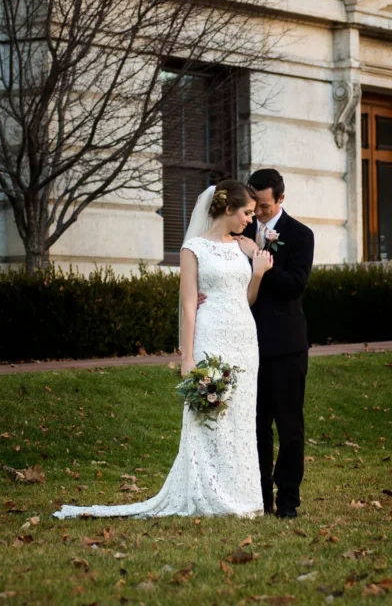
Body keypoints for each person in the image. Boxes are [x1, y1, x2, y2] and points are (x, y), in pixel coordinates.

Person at [52, 179, 273, 520]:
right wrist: (186, 357)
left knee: (241, 418)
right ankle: (206, 494)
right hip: (211, 336)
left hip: (245, 339)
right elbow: (187, 306)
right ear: (227, 209)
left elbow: (247, 299)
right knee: (209, 415)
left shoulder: (244, 248)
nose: (249, 219)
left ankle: (241, 497)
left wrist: (257, 274)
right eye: (245, 212)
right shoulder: (193, 249)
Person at [236, 168, 315, 519]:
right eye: (254, 204)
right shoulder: (239, 228)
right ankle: (260, 497)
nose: (259, 212)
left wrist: (261, 264)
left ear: (280, 199)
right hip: (248, 343)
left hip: (287, 345)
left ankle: (288, 501)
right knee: (255, 425)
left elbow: (296, 285)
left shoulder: (300, 235)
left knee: (289, 426)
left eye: (265, 206)